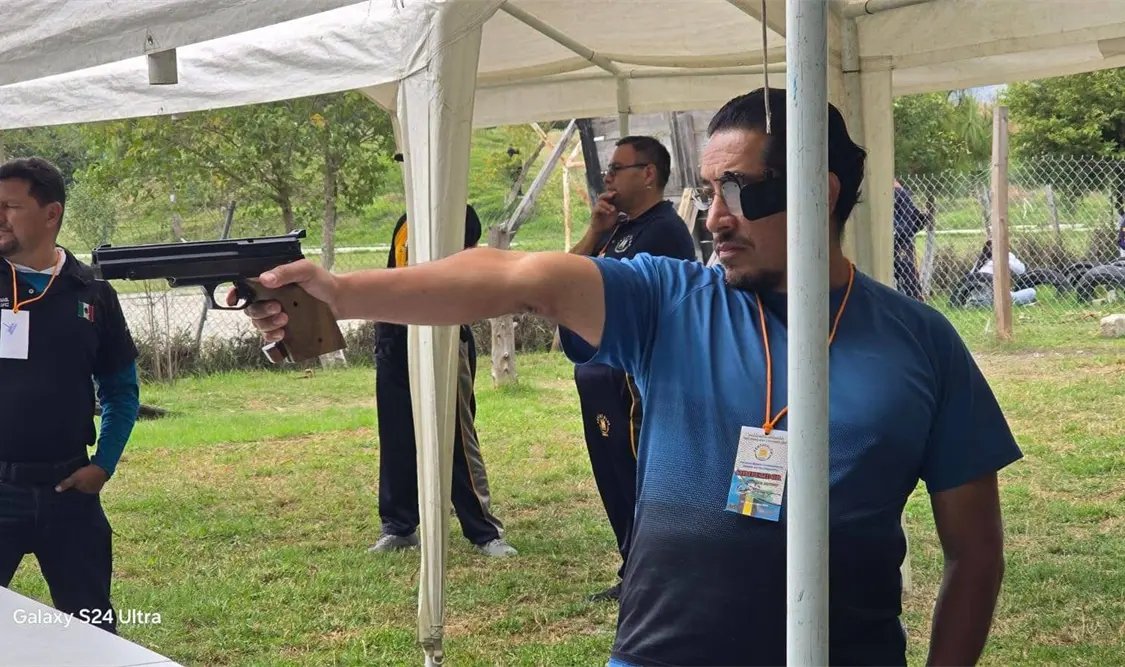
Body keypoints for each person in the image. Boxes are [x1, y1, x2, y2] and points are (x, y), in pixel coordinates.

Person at [239, 88, 1022, 667]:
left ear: (815, 191)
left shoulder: (921, 344)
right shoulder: (668, 299)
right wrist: (342, 293)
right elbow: (514, 274)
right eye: (706, 190)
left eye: (736, 192)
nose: (712, 217)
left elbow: (974, 551)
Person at [0, 157, 140, 634]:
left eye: (9, 207)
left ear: (51, 213)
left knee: (93, 631)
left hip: (69, 491)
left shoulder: (94, 294)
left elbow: (122, 392)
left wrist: (104, 464)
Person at [568, 136, 696, 602]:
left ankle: (654, 574)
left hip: (632, 382)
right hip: (601, 376)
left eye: (618, 168)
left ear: (648, 174)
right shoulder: (617, 229)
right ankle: (634, 569)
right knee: (615, 476)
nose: (608, 177)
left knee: (639, 473)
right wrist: (595, 232)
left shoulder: (661, 231)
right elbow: (566, 281)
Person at [369, 203, 516, 558]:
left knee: (456, 437)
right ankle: (399, 526)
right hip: (395, 337)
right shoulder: (406, 219)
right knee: (397, 434)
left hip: (443, 336)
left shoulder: (458, 214)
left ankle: (483, 531)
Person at [892, 179, 929, 301]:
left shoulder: (898, 193)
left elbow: (911, 222)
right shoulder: (900, 193)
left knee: (907, 276)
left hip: (900, 240)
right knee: (909, 276)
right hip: (902, 240)